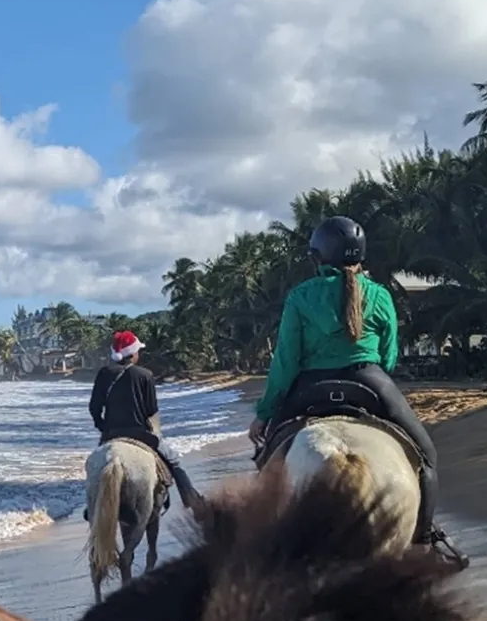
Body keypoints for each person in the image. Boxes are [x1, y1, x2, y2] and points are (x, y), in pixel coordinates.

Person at [247, 215, 463, 563]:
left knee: (268, 461)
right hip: (370, 381)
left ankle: (265, 545)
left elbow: (286, 362)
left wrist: (264, 413)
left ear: (319, 257)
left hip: (309, 385)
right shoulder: (379, 295)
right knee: (426, 457)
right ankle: (425, 538)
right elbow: (389, 355)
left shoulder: (300, 297)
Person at [85, 330, 201, 517]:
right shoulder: (145, 375)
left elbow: (94, 408)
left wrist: (103, 427)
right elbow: (151, 411)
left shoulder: (104, 374)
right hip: (141, 434)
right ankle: (194, 502)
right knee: (174, 462)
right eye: (138, 350)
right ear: (133, 353)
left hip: (111, 434)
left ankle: (90, 510)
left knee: (94, 468)